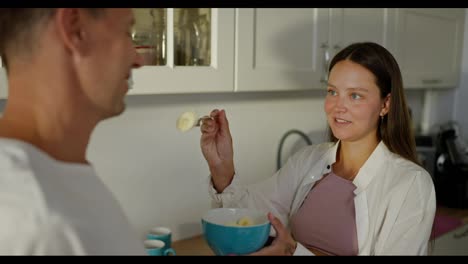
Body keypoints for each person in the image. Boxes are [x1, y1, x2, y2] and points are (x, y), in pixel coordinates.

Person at [199, 42, 436, 255]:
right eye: (332, 92)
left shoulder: (410, 184)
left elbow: (289, 249)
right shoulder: (309, 160)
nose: (338, 106)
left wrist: (293, 251)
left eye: (355, 95)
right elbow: (250, 217)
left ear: (386, 104)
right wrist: (221, 166)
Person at [0, 8, 146, 255]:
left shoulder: (52, 180)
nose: (138, 60)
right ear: (75, 29)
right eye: (126, 31)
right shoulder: (45, 226)